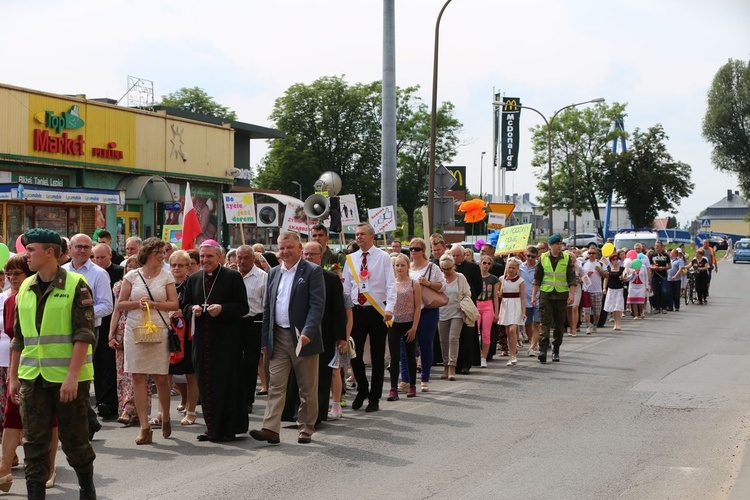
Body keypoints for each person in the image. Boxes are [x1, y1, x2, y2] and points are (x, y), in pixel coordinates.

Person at [8, 229, 97, 499]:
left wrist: (72, 376)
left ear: (50, 252)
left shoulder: (76, 284)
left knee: (74, 441)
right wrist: (13, 377)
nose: (26, 255)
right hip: (32, 378)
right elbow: (19, 337)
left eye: (31, 249)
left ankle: (86, 487)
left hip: (68, 380)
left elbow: (84, 334)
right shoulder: (25, 286)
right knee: (34, 443)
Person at [250, 232, 325, 445]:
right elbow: (268, 309)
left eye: (289, 247)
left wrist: (308, 331)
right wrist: (265, 340)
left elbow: (317, 305)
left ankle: (306, 428)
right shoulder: (273, 273)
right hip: (278, 336)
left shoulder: (313, 271)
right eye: (281, 248)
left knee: (307, 387)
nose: (285, 252)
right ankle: (271, 428)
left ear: (299, 248)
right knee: (276, 385)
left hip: (302, 338)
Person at [0, 255, 59, 493]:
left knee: (49, 420)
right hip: (22, 366)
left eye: (18, 274)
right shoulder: (9, 302)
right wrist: (12, 375)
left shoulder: (42, 297)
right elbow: (15, 340)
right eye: (9, 274)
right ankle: (4, 470)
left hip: (49, 368)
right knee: (12, 416)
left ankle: (50, 468)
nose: (13, 279)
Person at [183, 240, 249, 442]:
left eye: (209, 256)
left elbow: (242, 307)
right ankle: (211, 427)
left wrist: (222, 309)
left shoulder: (232, 277)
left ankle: (228, 429)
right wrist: (192, 309)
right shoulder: (193, 279)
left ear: (220, 257)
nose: (205, 260)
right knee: (206, 384)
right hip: (202, 342)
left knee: (226, 385)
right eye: (202, 256)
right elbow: (184, 305)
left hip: (226, 342)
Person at [114, 237, 178, 445]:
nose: (162, 256)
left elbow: (174, 304)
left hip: (159, 329)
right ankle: (144, 426)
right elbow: (121, 304)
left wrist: (154, 304)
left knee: (160, 378)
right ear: (148, 253)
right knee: (138, 377)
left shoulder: (167, 276)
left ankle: (165, 416)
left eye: (163, 252)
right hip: (135, 330)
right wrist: (137, 303)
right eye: (159, 252)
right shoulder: (132, 276)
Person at [283, 242, 345, 423]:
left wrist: (341, 337)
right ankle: (294, 413)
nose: (309, 257)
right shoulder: (296, 275)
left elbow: (338, 311)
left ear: (321, 255)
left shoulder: (331, 279)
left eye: (312, 254)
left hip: (324, 334)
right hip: (299, 333)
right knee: (296, 376)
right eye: (306, 254)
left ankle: (317, 416)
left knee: (322, 376)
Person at [62, 234, 114, 439]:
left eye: (86, 247)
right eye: (78, 247)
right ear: (70, 249)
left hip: (89, 330)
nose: (82, 250)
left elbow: (107, 306)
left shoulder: (99, 274)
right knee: (67, 373)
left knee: (81, 375)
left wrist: (83, 315)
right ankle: (89, 420)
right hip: (64, 330)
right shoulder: (62, 271)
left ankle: (86, 423)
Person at [342, 223, 396, 412]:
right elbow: (346, 288)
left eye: (362, 234)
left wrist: (389, 308)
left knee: (377, 356)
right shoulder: (350, 259)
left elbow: (391, 285)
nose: (359, 237)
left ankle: (374, 398)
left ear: (372, 236)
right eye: (357, 234)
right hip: (356, 311)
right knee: (354, 354)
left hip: (377, 312)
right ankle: (362, 389)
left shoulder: (383, 258)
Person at [403, 238, 445, 392]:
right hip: (408, 310)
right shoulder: (407, 267)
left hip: (427, 310)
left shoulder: (432, 267)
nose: (413, 251)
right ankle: (406, 378)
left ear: (423, 251)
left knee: (425, 344)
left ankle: (425, 378)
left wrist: (427, 283)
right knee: (406, 344)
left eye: (416, 249)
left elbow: (442, 286)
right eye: (411, 248)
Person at [531, 234, 577, 363]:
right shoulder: (543, 258)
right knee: (544, 323)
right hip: (546, 294)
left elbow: (571, 279)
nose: (559, 246)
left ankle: (556, 350)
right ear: (550, 245)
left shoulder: (567, 258)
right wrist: (534, 296)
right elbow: (537, 279)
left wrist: (572, 294)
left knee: (559, 324)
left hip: (562, 295)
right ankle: (543, 350)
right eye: (556, 244)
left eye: (560, 244)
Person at [167, 250, 199, 426]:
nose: (176, 268)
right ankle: (162, 412)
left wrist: (183, 311)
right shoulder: (166, 283)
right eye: (173, 265)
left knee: (191, 373)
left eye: (181, 265)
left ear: (188, 267)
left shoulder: (192, 283)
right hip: (169, 333)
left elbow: (195, 305)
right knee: (167, 373)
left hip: (188, 334)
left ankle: (192, 411)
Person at [91, 242, 123, 419]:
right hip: (95, 323)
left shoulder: (119, 272)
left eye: (102, 257)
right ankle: (100, 401)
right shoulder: (91, 273)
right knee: (96, 364)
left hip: (112, 322)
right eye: (96, 257)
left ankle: (110, 402)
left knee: (109, 364)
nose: (99, 260)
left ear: (110, 255)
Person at [236, 245, 267, 414]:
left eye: (246, 258)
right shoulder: (231, 275)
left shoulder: (262, 277)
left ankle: (248, 399)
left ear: (253, 258)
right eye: (239, 258)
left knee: (250, 362)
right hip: (233, 322)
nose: (242, 261)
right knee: (233, 361)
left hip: (254, 322)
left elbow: (267, 304)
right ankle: (235, 397)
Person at [387, 254, 421, 400]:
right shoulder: (391, 284)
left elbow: (418, 306)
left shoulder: (414, 283)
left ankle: (412, 385)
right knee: (394, 357)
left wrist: (414, 327)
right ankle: (393, 388)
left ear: (408, 266)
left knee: (410, 356)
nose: (399, 268)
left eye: (402, 265)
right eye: (397, 265)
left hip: (409, 323)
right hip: (394, 323)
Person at [437, 254, 471, 380]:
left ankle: (452, 367)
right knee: (443, 340)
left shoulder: (460, 277)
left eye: (448, 268)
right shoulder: (439, 278)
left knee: (453, 339)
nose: (446, 272)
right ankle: (445, 366)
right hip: (442, 312)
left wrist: (463, 304)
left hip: (457, 312)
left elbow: (468, 293)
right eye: (443, 269)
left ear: (453, 266)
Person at [498, 258, 526, 366]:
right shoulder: (502, 279)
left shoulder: (520, 281)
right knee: (507, 331)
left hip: (515, 305)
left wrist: (523, 312)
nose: (511, 270)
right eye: (509, 267)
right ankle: (512, 352)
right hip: (505, 306)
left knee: (512, 329)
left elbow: (523, 298)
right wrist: (499, 293)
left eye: (513, 268)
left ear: (517, 269)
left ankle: (514, 355)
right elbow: (498, 293)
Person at [477, 255, 499, 367]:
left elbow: (495, 296)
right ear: (480, 263)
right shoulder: (475, 276)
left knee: (486, 333)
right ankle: (475, 354)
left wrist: (496, 312)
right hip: (476, 304)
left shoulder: (493, 279)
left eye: (488, 264)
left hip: (488, 305)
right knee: (474, 332)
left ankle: (483, 357)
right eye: (484, 263)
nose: (486, 265)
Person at [519, 246, 541, 356]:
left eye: (533, 256)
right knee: (527, 325)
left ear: (537, 256)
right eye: (528, 256)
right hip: (524, 300)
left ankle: (532, 347)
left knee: (537, 323)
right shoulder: (520, 267)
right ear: (525, 255)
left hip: (538, 299)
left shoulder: (539, 267)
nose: (530, 258)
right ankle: (534, 343)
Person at [581, 247, 607, 334]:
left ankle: (595, 325)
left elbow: (606, 276)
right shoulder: (583, 264)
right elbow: (580, 277)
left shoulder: (600, 263)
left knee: (596, 311)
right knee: (587, 310)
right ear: (587, 254)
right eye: (589, 253)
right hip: (586, 290)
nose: (591, 255)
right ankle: (588, 326)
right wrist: (586, 275)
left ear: (596, 254)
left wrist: (600, 271)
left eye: (593, 253)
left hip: (597, 291)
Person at [602, 252, 625, 330]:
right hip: (611, 289)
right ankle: (615, 323)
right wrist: (604, 288)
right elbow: (606, 279)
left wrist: (623, 278)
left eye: (616, 259)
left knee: (618, 307)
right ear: (611, 261)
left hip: (619, 289)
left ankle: (618, 323)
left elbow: (626, 278)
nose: (615, 260)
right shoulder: (608, 270)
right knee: (613, 307)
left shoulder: (622, 269)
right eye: (613, 259)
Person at [649, 241, 671, 313]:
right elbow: (649, 265)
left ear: (662, 247)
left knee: (664, 291)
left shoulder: (665, 255)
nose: (656, 247)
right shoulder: (652, 255)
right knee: (656, 292)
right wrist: (653, 268)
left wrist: (663, 268)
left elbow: (669, 266)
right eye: (655, 246)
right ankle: (657, 308)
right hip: (655, 275)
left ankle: (664, 307)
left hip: (663, 275)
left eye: (658, 246)